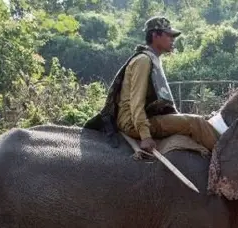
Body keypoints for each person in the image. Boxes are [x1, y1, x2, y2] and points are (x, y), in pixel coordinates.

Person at [84, 17, 220, 153]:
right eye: (169, 35)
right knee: (196, 122)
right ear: (155, 35)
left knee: (196, 120)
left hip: (143, 118)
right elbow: (136, 102)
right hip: (131, 123)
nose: (173, 39)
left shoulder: (152, 59)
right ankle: (222, 158)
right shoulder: (143, 60)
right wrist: (145, 135)